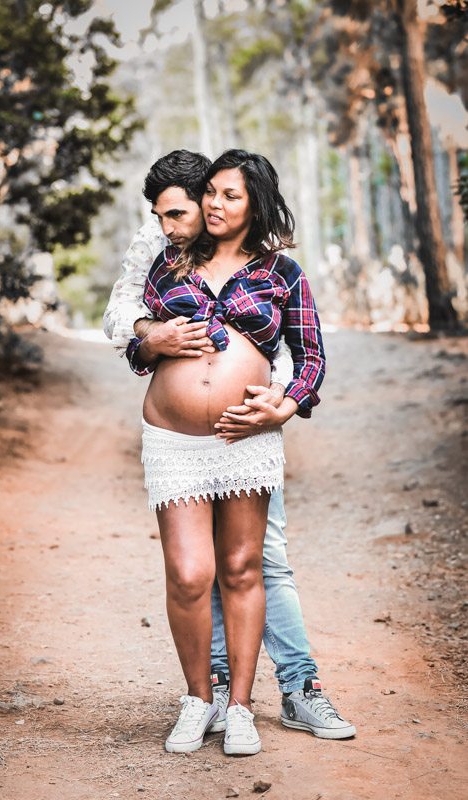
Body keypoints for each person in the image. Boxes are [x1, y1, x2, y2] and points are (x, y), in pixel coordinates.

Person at [104, 150, 356, 750]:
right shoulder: (167, 259)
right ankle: (201, 698)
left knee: (249, 567)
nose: (214, 204)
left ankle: (250, 702)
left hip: (245, 439)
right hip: (174, 440)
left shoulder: (281, 272)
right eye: (210, 193)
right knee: (190, 573)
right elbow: (133, 335)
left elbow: (310, 355)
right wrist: (151, 337)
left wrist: (286, 404)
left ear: (256, 203)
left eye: (230, 195)